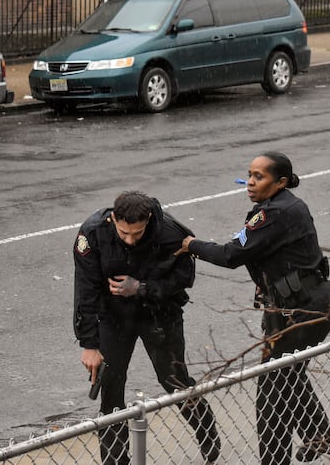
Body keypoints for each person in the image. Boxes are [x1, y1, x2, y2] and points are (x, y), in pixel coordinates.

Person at [176, 151, 330, 464]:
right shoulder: (278, 207)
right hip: (299, 305)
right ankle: (320, 435)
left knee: (272, 392)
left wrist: (191, 245)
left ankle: (278, 458)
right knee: (289, 375)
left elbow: (231, 254)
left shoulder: (274, 213)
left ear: (280, 182)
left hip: (302, 309)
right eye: (249, 175)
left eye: (259, 177)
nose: (250, 183)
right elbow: (251, 247)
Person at [73, 190, 220, 464]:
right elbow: (85, 291)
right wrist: (89, 344)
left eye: (137, 233)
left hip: (159, 313)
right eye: (123, 233)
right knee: (111, 389)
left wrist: (142, 288)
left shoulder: (170, 232)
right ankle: (116, 460)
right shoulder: (93, 234)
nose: (130, 240)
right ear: (113, 219)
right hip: (114, 316)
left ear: (148, 220)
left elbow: (185, 278)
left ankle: (206, 432)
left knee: (174, 382)